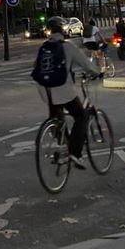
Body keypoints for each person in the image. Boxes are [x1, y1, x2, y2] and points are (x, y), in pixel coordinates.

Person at [35, 16, 100, 170]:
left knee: (57, 117)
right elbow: (86, 64)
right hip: (62, 89)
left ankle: (61, 137)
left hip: (45, 90)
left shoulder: (43, 47)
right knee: (81, 116)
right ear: (63, 30)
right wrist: (96, 72)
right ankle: (75, 153)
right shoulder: (68, 47)